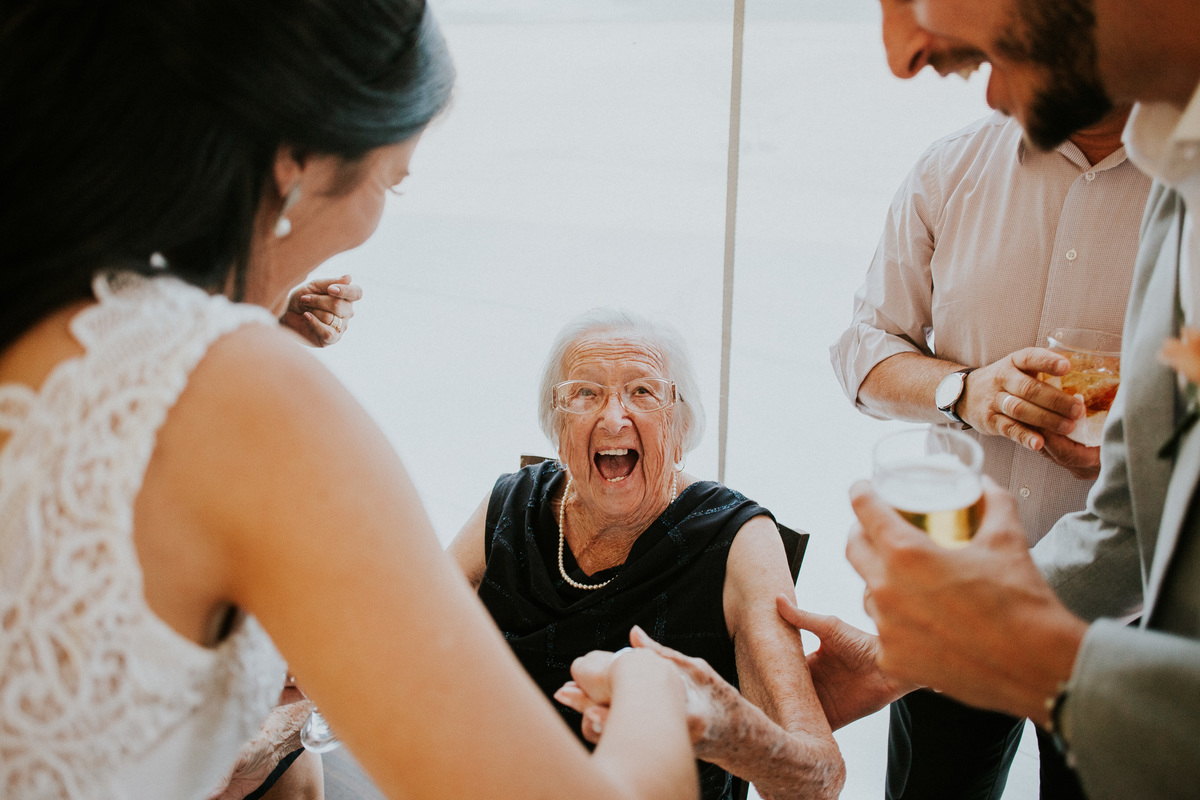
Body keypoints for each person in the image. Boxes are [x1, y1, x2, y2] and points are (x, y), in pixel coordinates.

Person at [0, 3, 703, 799]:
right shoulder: (243, 392)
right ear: (294, 159)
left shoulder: (38, 294)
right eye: (391, 183)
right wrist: (651, 686)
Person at [840, 0, 1200, 798]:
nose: (903, 50)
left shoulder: (1171, 185)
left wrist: (1039, 654)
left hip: (1128, 641)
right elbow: (1131, 523)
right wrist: (964, 391)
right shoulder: (1179, 185)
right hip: (987, 582)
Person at [448, 309, 846, 800]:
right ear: (557, 426)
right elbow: (411, 635)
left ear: (680, 424)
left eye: (643, 391)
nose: (614, 417)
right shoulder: (511, 502)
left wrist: (725, 731)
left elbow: (818, 778)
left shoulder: (738, 539)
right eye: (586, 393)